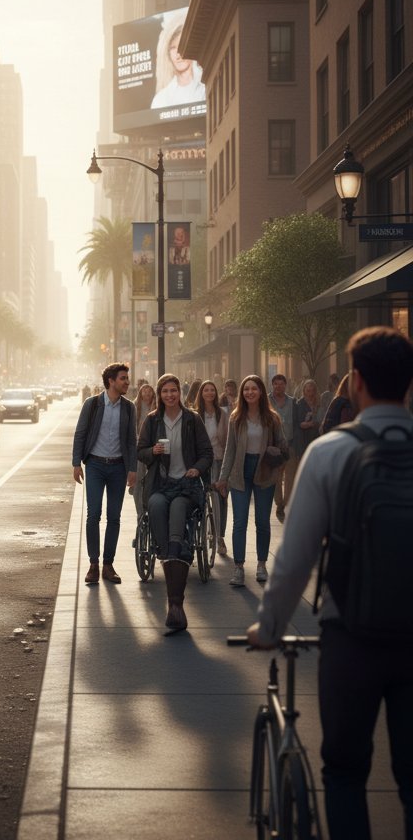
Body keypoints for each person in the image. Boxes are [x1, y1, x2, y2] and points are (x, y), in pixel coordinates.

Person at [246, 327, 413, 839]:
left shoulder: (329, 453)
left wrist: (270, 625)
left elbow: (294, 557)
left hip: (351, 634)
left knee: (343, 772)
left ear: (355, 382)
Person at [137, 373, 213, 632]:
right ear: (160, 395)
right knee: (156, 506)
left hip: (186, 485)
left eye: (174, 390)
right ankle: (166, 550)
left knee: (179, 510)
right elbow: (140, 451)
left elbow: (207, 453)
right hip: (161, 484)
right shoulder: (152, 420)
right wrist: (152, 452)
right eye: (165, 391)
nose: (170, 395)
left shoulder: (192, 420)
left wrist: (196, 469)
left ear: (180, 393)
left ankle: (175, 604)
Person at [216, 374, 286, 587]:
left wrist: (277, 457)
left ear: (261, 392)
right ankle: (238, 568)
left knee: (262, 522)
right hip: (240, 471)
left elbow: (284, 446)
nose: (249, 392)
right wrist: (223, 478)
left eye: (254, 389)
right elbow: (229, 451)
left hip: (264, 471)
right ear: (242, 393)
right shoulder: (236, 418)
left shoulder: (272, 419)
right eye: (246, 389)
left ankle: (262, 565)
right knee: (239, 522)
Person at [72, 362, 137, 585]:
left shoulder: (129, 408)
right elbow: (80, 434)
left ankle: (108, 565)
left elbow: (131, 440)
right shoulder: (92, 404)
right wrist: (76, 463)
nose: (127, 382)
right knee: (93, 514)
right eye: (123, 378)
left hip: (119, 467)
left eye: (127, 378)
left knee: (114, 517)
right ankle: (93, 564)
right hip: (96, 466)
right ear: (111, 381)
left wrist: (133, 468)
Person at [197, 379, 229, 556]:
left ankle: (219, 537)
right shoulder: (196, 415)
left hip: (218, 460)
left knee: (220, 499)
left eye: (212, 390)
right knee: (200, 499)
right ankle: (202, 535)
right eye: (206, 390)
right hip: (201, 462)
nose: (209, 393)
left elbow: (227, 441)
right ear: (201, 394)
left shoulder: (222, 415)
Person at [150, 16, 205, 109]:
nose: (178, 54)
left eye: (182, 46)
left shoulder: (205, 88)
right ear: (168, 53)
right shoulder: (161, 99)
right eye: (173, 48)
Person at [269, 373, 298, 522]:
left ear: (285, 385)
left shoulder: (293, 402)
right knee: (276, 476)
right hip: (274, 446)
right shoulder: (267, 401)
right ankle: (279, 504)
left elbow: (297, 423)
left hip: (290, 444)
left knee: (290, 477)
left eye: (281, 384)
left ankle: (286, 503)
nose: (279, 386)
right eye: (276, 384)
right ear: (272, 385)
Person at [131, 382, 157, 516]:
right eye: (144, 391)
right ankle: (140, 515)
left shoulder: (157, 407)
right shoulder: (135, 407)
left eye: (149, 391)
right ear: (140, 394)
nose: (147, 394)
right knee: (138, 483)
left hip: (154, 448)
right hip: (139, 448)